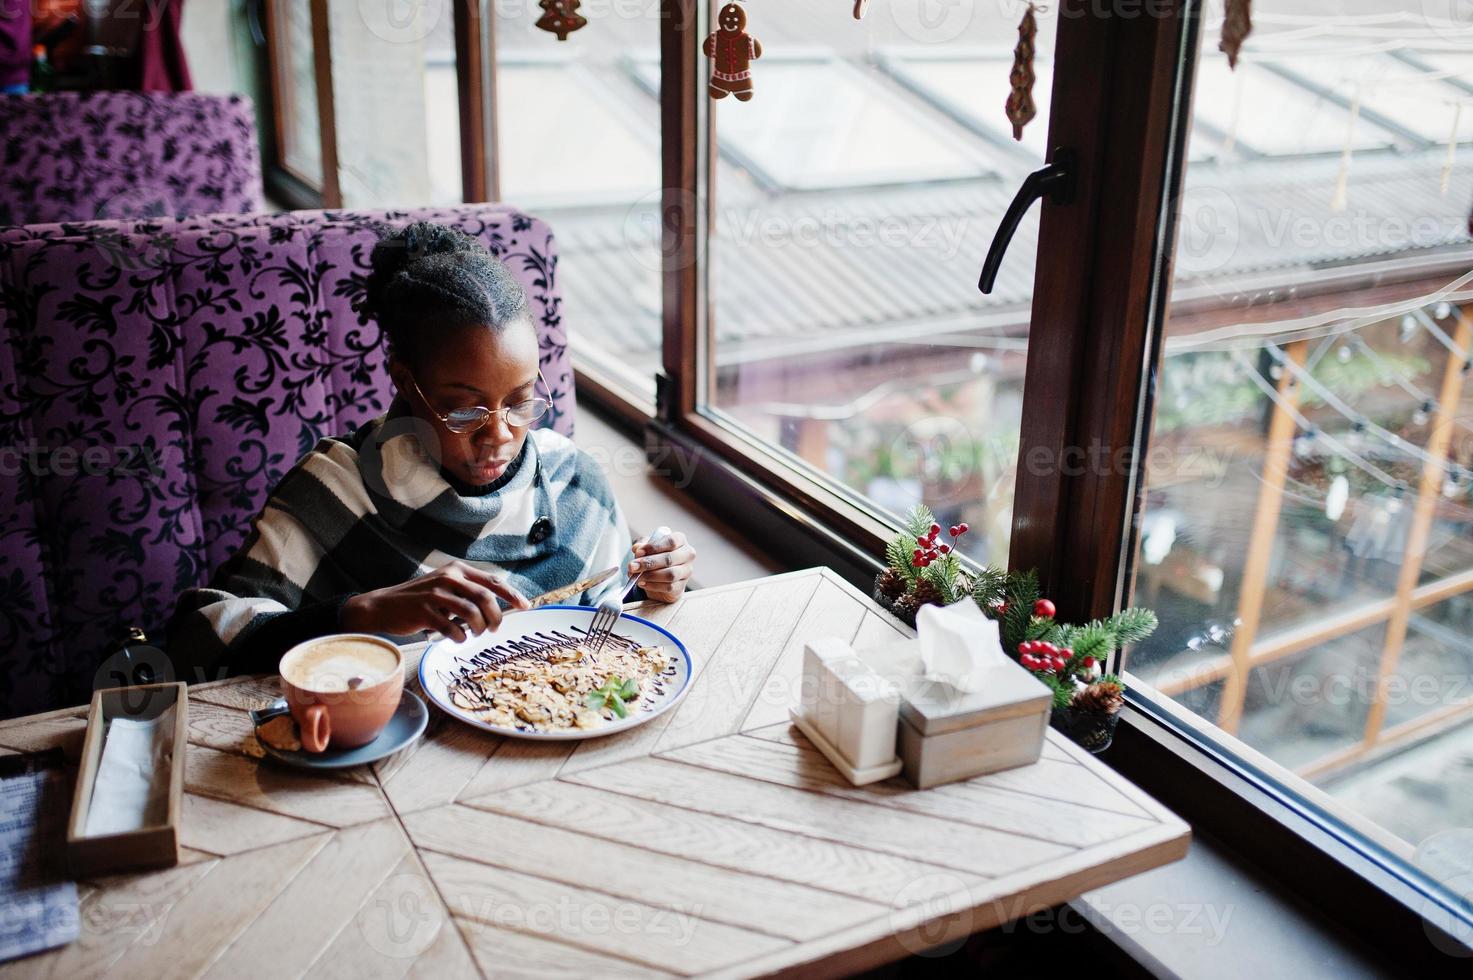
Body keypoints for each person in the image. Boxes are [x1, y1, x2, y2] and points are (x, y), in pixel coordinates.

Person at [169, 221, 696, 679]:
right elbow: (197, 645)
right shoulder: (336, 489)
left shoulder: (570, 482)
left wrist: (659, 585)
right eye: (463, 412)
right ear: (404, 380)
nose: (498, 436)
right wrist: (362, 613)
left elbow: (612, 628)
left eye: (520, 402)